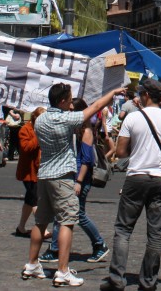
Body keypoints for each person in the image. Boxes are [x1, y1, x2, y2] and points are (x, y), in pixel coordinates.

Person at [21, 83, 123, 286]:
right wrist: (111, 92)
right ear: (61, 101)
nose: (70, 103)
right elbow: (94, 108)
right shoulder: (65, 119)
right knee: (67, 221)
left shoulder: (40, 120)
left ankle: (31, 264)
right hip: (62, 175)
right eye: (68, 99)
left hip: (45, 174)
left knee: (40, 221)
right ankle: (63, 270)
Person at [100, 79, 161, 291]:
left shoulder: (132, 118)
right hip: (160, 178)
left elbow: (120, 152)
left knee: (123, 230)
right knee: (155, 233)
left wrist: (137, 151)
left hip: (136, 177)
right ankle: (148, 282)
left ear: (145, 95)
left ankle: (116, 279)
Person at [41, 100, 110, 265]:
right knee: (64, 213)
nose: (68, 111)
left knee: (77, 214)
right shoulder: (73, 128)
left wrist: (79, 181)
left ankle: (99, 244)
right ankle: (55, 248)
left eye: (72, 109)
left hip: (81, 178)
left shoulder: (86, 131)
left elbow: (86, 159)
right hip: (70, 175)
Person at [15, 107, 44, 237]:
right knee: (34, 199)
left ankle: (21, 227)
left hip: (39, 169)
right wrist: (38, 135)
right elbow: (26, 148)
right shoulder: (25, 130)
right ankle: (42, 228)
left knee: (29, 199)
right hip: (28, 170)